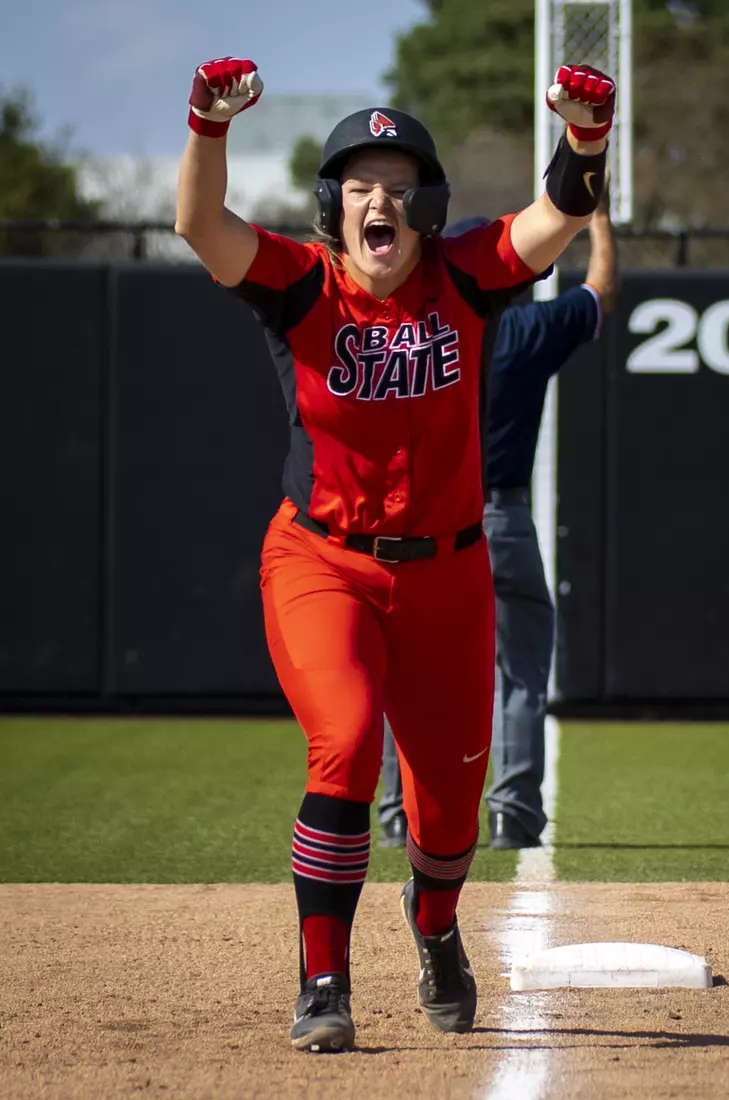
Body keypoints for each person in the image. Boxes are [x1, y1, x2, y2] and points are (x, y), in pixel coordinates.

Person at [175, 56, 616, 1053]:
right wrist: (207, 125)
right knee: (344, 735)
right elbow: (201, 227)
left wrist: (585, 137)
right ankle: (322, 978)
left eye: (401, 183)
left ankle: (435, 927)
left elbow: (555, 214)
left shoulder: (462, 271)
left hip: (451, 573)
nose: (382, 198)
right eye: (361, 183)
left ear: (427, 205)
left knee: (450, 800)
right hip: (321, 558)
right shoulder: (298, 280)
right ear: (333, 204)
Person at [379, 182, 619, 852]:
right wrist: (596, 223)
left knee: (408, 673)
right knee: (517, 672)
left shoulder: (418, 330)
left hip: (422, 522)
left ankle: (399, 813)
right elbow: (601, 293)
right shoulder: (529, 328)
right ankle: (512, 813)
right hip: (501, 520)